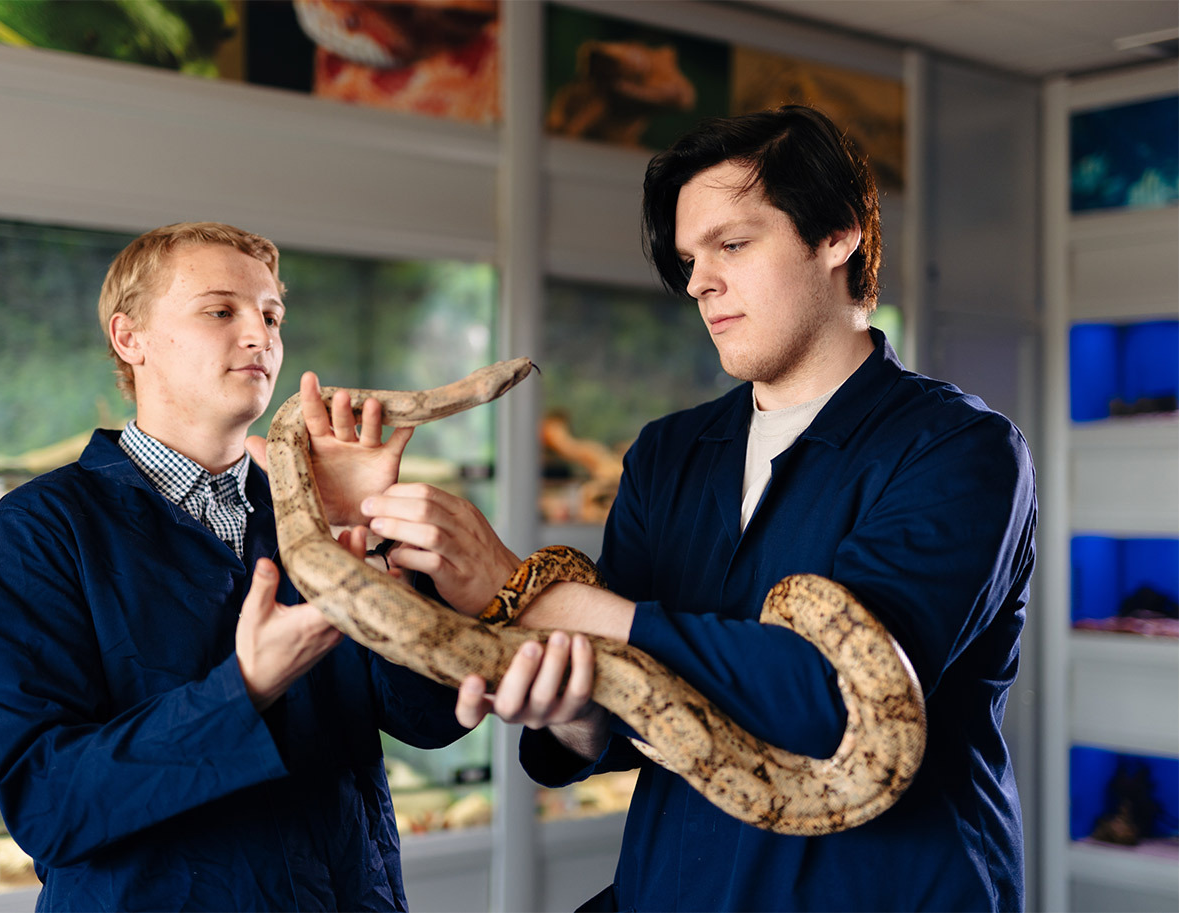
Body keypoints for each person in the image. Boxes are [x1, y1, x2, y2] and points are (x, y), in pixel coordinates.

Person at [360, 106, 1037, 911]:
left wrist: (534, 592)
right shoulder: (668, 453)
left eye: (733, 244)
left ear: (837, 237)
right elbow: (610, 715)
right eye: (689, 258)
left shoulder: (959, 450)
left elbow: (841, 703)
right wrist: (574, 705)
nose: (699, 281)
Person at [0, 221, 469, 911]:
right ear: (129, 337)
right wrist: (247, 687)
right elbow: (51, 807)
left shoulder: (316, 514)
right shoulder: (38, 531)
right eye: (220, 310)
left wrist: (372, 540)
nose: (260, 336)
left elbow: (433, 718)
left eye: (271, 315)